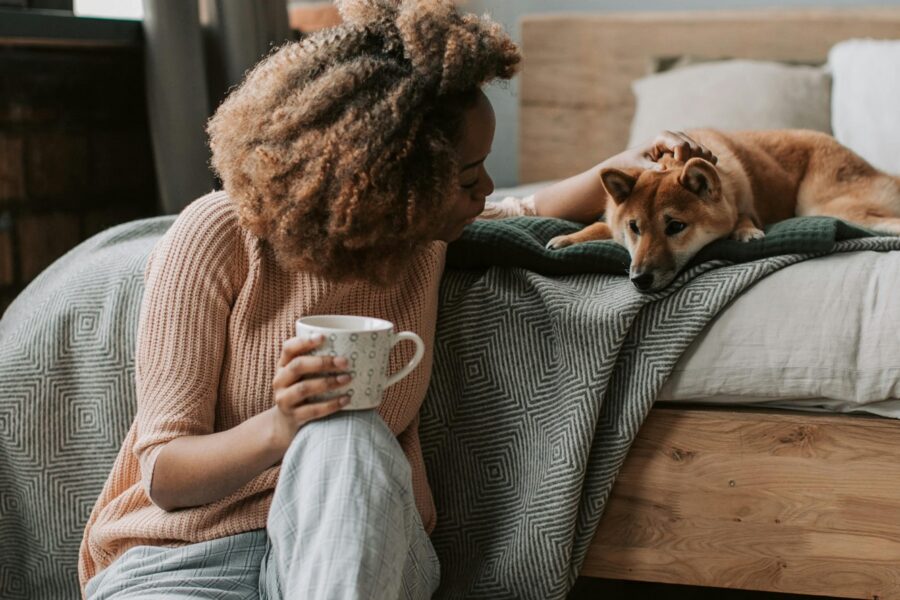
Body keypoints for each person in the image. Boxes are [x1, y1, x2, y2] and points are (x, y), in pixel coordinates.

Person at [78, 1, 716, 598]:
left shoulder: (421, 240)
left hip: (363, 550)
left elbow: (524, 208)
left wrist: (626, 164)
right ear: (389, 179)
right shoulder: (217, 237)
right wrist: (281, 427)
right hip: (189, 559)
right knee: (329, 426)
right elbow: (162, 474)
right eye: (468, 177)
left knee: (345, 433)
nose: (484, 188)